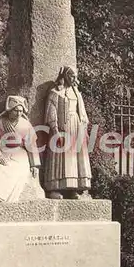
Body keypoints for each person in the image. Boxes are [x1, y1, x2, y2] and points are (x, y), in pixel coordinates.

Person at [44, 66, 92, 199]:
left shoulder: (76, 93)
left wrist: (85, 131)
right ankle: (54, 189)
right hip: (62, 128)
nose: (74, 79)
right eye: (72, 76)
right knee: (59, 157)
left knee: (75, 159)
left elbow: (82, 112)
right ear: (65, 76)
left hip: (76, 126)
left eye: (76, 77)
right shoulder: (55, 92)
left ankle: (73, 189)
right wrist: (55, 131)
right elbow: (51, 113)